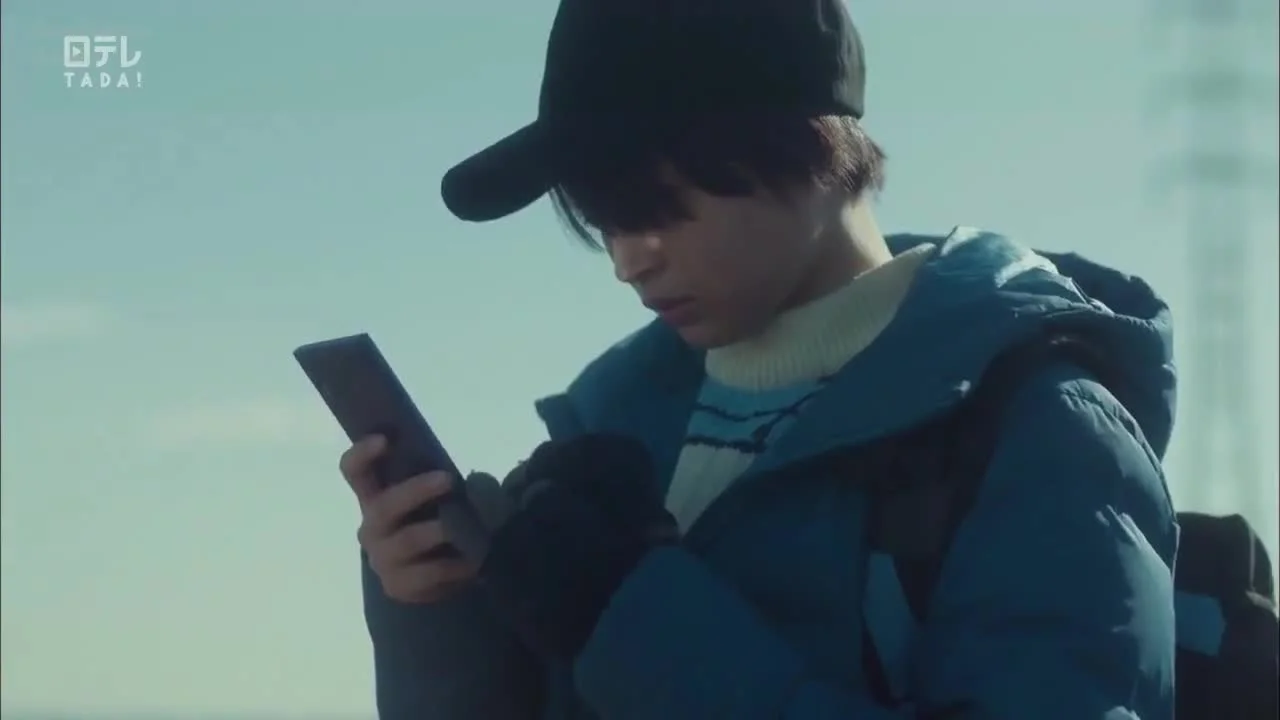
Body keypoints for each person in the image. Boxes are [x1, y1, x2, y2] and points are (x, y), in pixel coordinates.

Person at [340, 1, 1179, 718]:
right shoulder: (615, 433)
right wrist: (445, 612)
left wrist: (631, 623)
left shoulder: (1041, 429)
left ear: (810, 148)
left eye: (657, 207)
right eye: (604, 221)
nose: (629, 260)